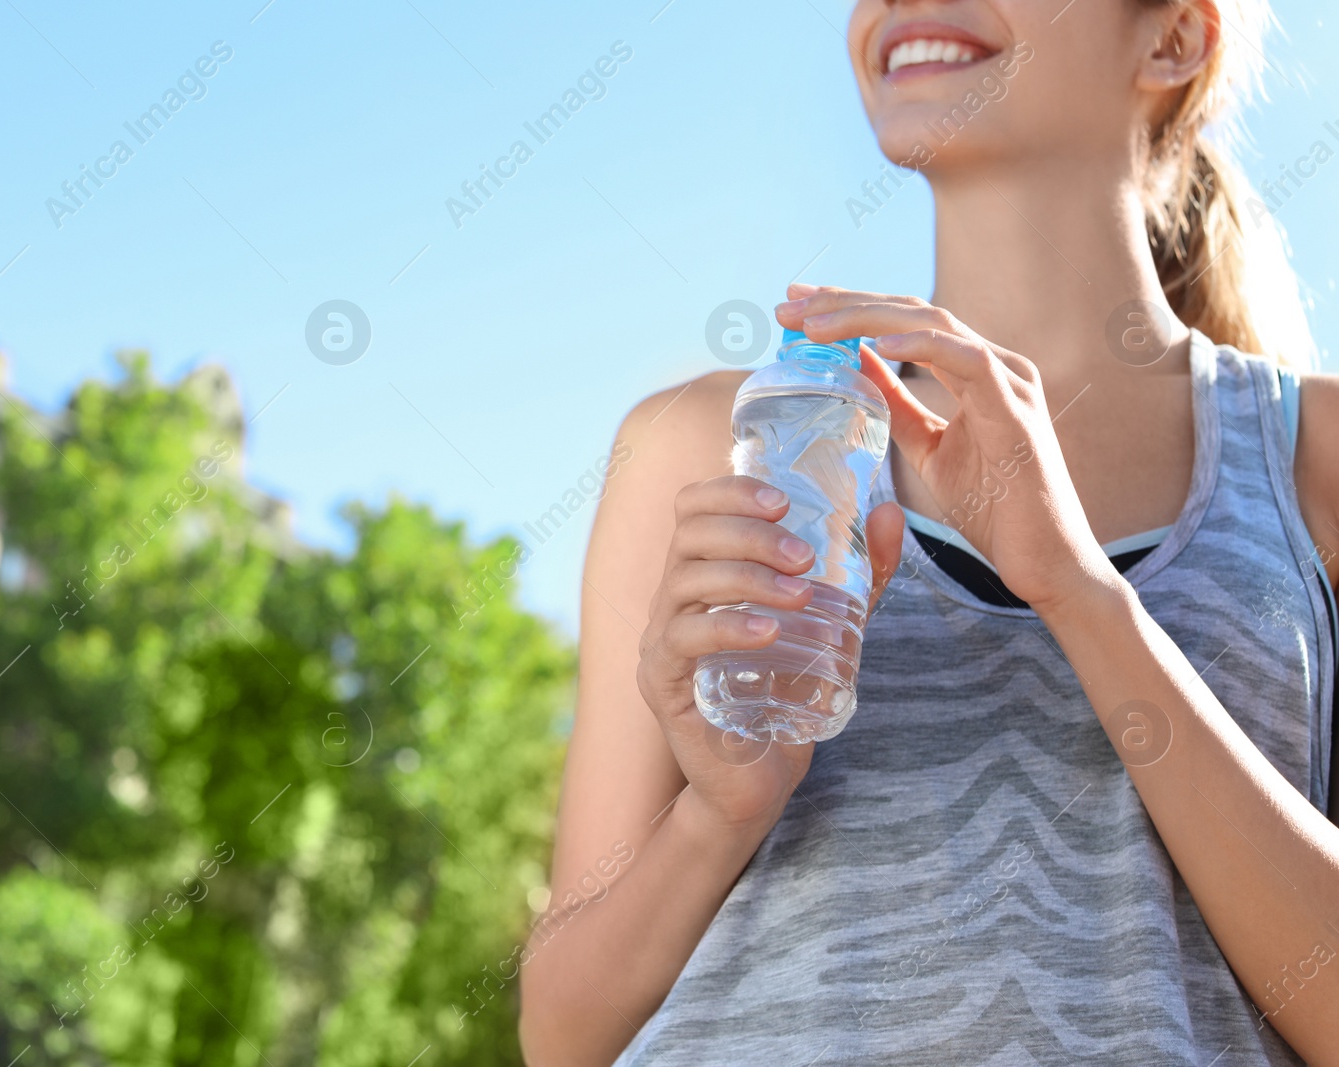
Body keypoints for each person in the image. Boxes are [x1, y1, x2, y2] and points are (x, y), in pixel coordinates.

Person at [517, 0, 1339, 1063]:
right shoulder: (698, 441)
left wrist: (1081, 594)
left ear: (1173, 37)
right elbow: (563, 1036)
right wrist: (720, 812)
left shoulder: (1312, 456)